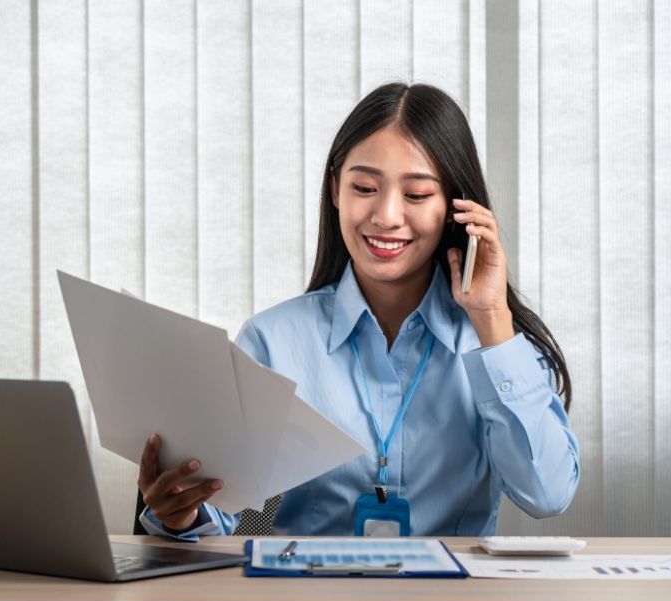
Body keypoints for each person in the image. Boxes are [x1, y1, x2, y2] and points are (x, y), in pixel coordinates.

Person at [136, 82, 579, 539]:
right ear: (335, 190)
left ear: (454, 208)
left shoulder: (495, 343)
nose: (386, 215)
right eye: (365, 187)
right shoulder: (273, 341)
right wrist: (181, 515)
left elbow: (546, 496)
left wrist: (492, 317)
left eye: (417, 195)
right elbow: (216, 515)